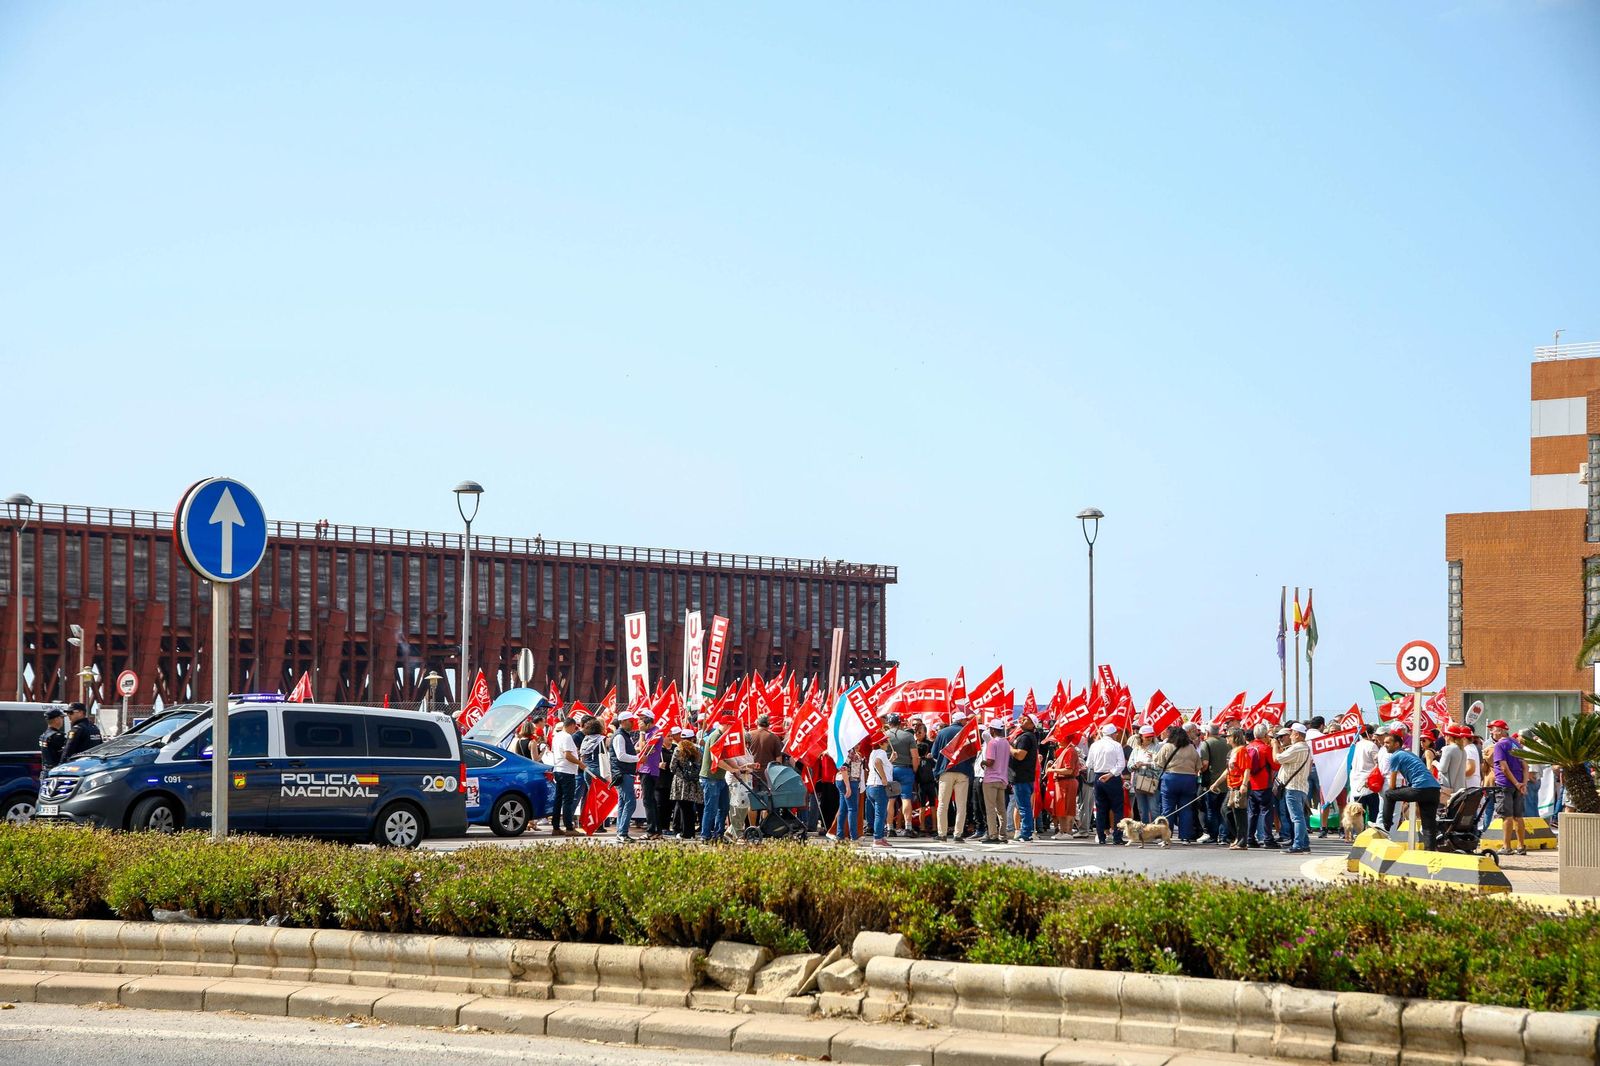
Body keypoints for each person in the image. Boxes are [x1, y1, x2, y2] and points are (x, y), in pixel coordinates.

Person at [1380, 731, 1443, 850]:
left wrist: (1400, 794)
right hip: (1434, 789)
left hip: (1420, 788)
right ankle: (1430, 853)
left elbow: (1392, 786)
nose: (1385, 745)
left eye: (1388, 742)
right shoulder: (1410, 754)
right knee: (1428, 825)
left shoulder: (1395, 756)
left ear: (1397, 744)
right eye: (1384, 743)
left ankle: (1386, 826)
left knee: (1389, 794)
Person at [1154, 724, 1203, 843]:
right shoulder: (1191, 748)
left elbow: (1159, 763)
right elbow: (1199, 766)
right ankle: (1185, 837)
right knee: (1186, 809)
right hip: (1189, 780)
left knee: (1168, 809)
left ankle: (1166, 837)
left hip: (1170, 779)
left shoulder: (1167, 746)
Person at [1489, 719, 1529, 855]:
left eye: (1493, 729)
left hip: (1505, 784)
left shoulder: (1500, 745)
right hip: (1518, 784)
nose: (1491, 732)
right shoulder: (1515, 743)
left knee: (1507, 816)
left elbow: (1504, 768)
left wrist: (1517, 783)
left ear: (1500, 731)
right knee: (1519, 816)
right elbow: (1525, 766)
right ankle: (1521, 845)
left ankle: (1506, 846)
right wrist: (1523, 783)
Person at [1208, 728, 1253, 851]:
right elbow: (1228, 770)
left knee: (1239, 814)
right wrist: (1216, 783)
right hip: (1231, 785)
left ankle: (1242, 840)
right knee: (1227, 811)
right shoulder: (1232, 751)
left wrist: (1244, 784)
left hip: (1239, 785)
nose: (1226, 738)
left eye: (1228, 736)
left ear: (1235, 737)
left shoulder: (1242, 751)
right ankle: (1238, 837)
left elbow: (1247, 769)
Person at [932, 712, 974, 841]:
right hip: (963, 772)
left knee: (943, 804)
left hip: (946, 771)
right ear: (961, 720)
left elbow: (934, 753)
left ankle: (942, 833)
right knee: (961, 805)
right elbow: (973, 753)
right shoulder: (967, 732)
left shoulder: (942, 733)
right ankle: (958, 834)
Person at [1086, 723, 1127, 845]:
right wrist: (1110, 774)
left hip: (1099, 776)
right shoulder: (1116, 745)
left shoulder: (1094, 745)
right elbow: (1121, 765)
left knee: (1101, 808)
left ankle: (1101, 836)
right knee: (1118, 808)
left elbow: (1089, 764)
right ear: (1113, 734)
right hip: (1112, 777)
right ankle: (1117, 837)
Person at [1275, 723, 1312, 854]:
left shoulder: (1297, 748)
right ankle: (1305, 844)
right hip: (1301, 787)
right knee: (1299, 816)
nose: (1290, 736)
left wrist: (1275, 746)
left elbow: (1277, 759)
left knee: (1296, 818)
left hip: (1293, 787)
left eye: (1291, 733)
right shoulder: (1306, 748)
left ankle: (1298, 845)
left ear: (1296, 734)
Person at [884, 714, 919, 837]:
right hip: (905, 770)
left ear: (889, 723)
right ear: (900, 723)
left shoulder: (885, 736)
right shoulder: (908, 736)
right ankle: (908, 827)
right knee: (906, 799)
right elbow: (915, 756)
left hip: (890, 770)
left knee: (890, 800)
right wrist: (914, 770)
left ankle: (889, 828)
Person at [978, 721, 1012, 843]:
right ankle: (1003, 834)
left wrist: (983, 762)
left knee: (990, 809)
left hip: (991, 779)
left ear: (992, 729)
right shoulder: (1006, 743)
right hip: (1002, 779)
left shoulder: (993, 743)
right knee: (1001, 809)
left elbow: (991, 761)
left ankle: (993, 834)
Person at [610, 710, 641, 841]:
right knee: (630, 803)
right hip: (623, 773)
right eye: (630, 721)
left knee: (623, 803)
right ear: (623, 722)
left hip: (623, 773)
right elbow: (621, 756)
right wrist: (637, 758)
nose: (633, 723)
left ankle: (621, 832)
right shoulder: (620, 736)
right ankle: (622, 832)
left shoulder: (623, 735)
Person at [1246, 724, 1279, 848]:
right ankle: (1268, 839)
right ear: (1265, 735)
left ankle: (1250, 838)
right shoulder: (1266, 749)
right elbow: (1276, 765)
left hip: (1250, 784)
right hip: (1264, 783)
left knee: (1252, 812)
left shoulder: (1248, 747)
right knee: (1266, 812)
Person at [1009, 714, 1040, 842]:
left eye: (1026, 719)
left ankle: (1026, 833)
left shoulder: (1026, 737)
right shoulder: (1027, 736)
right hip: (1024, 776)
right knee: (1023, 805)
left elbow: (1020, 755)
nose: (1022, 720)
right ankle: (1026, 832)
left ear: (1032, 724)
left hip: (1022, 777)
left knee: (1023, 806)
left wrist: (1009, 747)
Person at [1198, 723, 1230, 844]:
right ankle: (1223, 836)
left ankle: (1213, 835)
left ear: (1207, 732)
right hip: (1225, 781)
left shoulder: (1206, 743)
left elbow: (1205, 763)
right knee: (1223, 810)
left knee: (1212, 810)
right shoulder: (1227, 743)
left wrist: (1200, 770)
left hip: (1212, 782)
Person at [668, 730, 704, 839]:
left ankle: (685, 833)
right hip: (694, 782)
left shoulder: (678, 749)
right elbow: (700, 765)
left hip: (681, 783)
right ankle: (691, 832)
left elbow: (672, 767)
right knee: (690, 808)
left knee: (683, 808)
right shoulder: (698, 749)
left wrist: (683, 776)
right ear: (693, 738)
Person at [550, 716, 582, 834]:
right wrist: (580, 763)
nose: (575, 730)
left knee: (558, 799)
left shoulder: (556, 736)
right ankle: (569, 827)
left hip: (558, 769)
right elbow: (567, 755)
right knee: (568, 800)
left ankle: (556, 827)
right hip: (567, 770)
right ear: (571, 725)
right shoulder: (567, 737)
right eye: (575, 727)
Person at [1045, 737, 1081, 839]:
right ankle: (1062, 830)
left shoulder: (1070, 750)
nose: (1058, 741)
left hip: (1067, 781)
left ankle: (1067, 831)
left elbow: (1069, 770)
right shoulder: (1065, 750)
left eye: (1060, 738)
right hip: (1061, 782)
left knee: (1067, 807)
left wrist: (1052, 770)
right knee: (1060, 807)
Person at [1349, 725, 1381, 828]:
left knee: (1358, 811)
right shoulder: (1371, 746)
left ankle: (1358, 832)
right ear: (1370, 734)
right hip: (1369, 781)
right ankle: (1372, 831)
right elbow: (1378, 762)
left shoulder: (1354, 745)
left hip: (1355, 781)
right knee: (1373, 810)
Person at [866, 734, 895, 848]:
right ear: (880, 743)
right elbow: (878, 763)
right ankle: (878, 838)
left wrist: (891, 760)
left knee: (880, 813)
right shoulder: (881, 753)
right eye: (885, 742)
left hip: (871, 786)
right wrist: (883, 778)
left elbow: (879, 764)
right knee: (881, 814)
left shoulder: (873, 753)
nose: (887, 743)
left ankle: (880, 837)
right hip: (879, 787)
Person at [1128, 727, 1160, 824]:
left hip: (1152, 781)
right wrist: (1135, 766)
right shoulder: (1136, 750)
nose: (1149, 738)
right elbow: (1129, 766)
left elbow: (1160, 765)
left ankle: (1157, 832)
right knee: (1142, 809)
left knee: (1154, 808)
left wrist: (1148, 764)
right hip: (1138, 781)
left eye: (1151, 736)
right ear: (1141, 737)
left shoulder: (1157, 747)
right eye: (1147, 737)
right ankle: (1145, 831)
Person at [1437, 724, 1470, 804]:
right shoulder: (1463, 750)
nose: (1444, 737)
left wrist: (1434, 762)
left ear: (1449, 736)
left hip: (1448, 790)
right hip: (1460, 789)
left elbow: (1442, 768)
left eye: (1445, 735)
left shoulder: (1448, 749)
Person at [38, 708, 67, 774]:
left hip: (45, 770)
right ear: (56, 719)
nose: (63, 720)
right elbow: (64, 754)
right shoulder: (57, 736)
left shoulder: (43, 735)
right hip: (56, 771)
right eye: (61, 717)